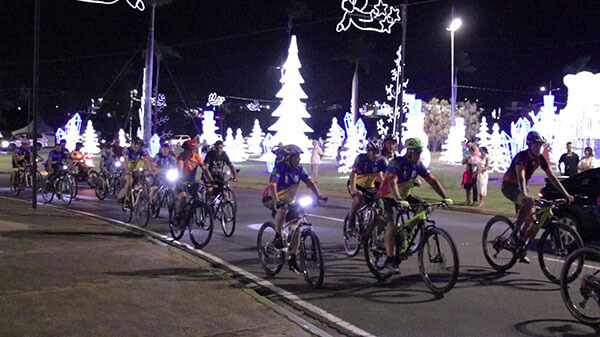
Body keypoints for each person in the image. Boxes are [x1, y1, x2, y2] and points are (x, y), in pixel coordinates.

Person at [377, 138, 453, 272]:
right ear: (409, 153)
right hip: (388, 196)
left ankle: (406, 230)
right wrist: (399, 200)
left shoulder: (418, 164)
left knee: (426, 207)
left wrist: (445, 197)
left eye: (420, 152)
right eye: (417, 152)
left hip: (404, 196)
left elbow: (432, 180)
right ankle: (389, 260)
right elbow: (392, 182)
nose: (419, 155)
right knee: (392, 225)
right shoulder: (397, 163)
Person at [501, 131, 574, 261]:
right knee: (528, 202)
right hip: (510, 186)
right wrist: (524, 194)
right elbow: (521, 176)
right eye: (536, 145)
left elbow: (552, 177)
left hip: (522, 187)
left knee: (533, 221)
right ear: (530, 144)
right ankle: (514, 235)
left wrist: (566, 194)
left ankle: (520, 248)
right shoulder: (522, 156)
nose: (539, 147)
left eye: (540, 145)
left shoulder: (541, 158)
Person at [261, 145, 325, 272]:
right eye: (296, 157)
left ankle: (293, 258)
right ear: (288, 159)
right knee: (283, 210)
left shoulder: (300, 170)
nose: (299, 160)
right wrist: (277, 202)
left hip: (290, 201)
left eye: (299, 157)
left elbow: (310, 183)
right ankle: (278, 235)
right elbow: (273, 186)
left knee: (297, 228)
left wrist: (319, 196)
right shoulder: (279, 169)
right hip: (272, 198)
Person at [347, 140, 387, 228]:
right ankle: (351, 219)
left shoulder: (382, 161)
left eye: (378, 152)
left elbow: (387, 176)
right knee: (358, 200)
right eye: (374, 152)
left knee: (379, 202)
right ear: (368, 151)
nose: (376, 155)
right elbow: (354, 174)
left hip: (369, 186)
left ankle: (373, 225)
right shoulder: (361, 159)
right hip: (356, 184)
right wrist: (354, 189)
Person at [175, 139, 213, 218]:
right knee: (183, 197)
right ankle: (178, 216)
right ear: (185, 150)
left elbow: (205, 169)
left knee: (198, 197)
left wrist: (211, 180)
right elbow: (180, 169)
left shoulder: (196, 156)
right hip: (180, 180)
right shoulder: (181, 157)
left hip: (191, 181)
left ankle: (192, 213)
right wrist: (182, 179)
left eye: (193, 150)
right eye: (190, 150)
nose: (192, 152)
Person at [117, 138, 154, 204]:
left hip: (137, 170)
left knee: (144, 181)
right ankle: (126, 198)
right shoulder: (127, 150)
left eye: (137, 144)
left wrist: (152, 169)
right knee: (130, 181)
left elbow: (148, 159)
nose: (136, 146)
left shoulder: (142, 150)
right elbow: (126, 161)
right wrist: (128, 171)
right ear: (132, 144)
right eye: (134, 144)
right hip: (127, 169)